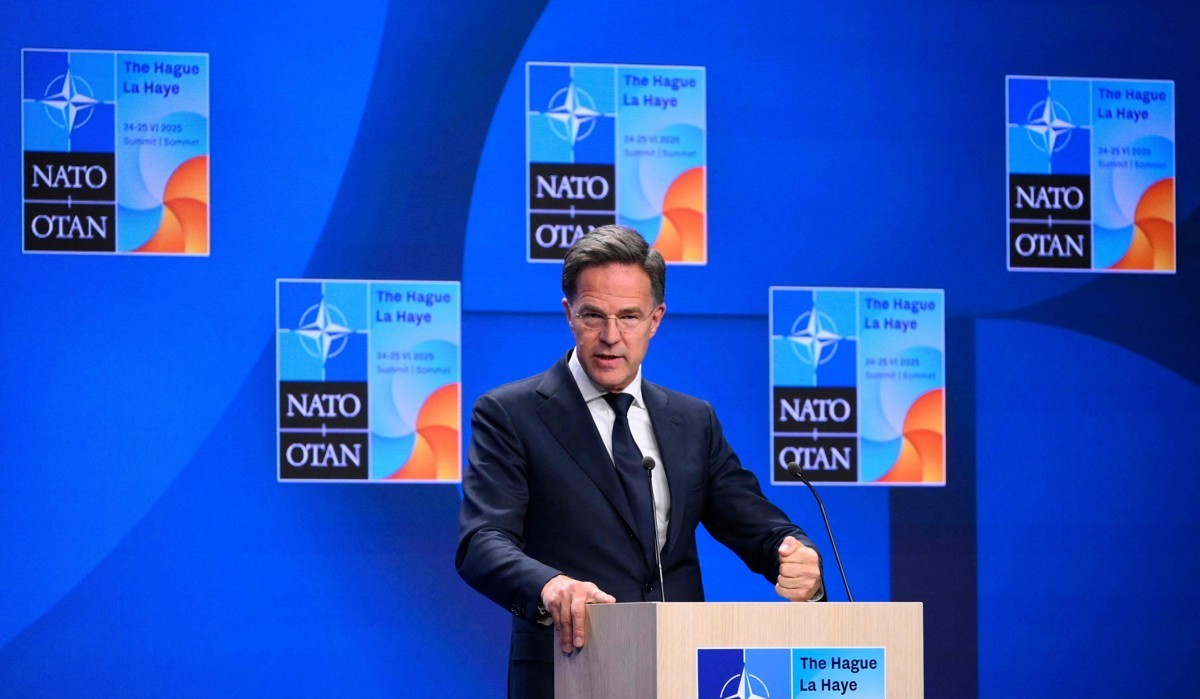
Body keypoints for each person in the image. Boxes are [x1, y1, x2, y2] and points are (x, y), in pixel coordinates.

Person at [456, 225, 823, 699]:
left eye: (629, 316)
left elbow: (758, 527)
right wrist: (551, 586)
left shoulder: (692, 421)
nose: (611, 336)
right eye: (593, 315)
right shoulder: (511, 414)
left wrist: (795, 556)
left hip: (684, 672)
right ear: (569, 314)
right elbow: (482, 542)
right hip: (569, 672)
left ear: (656, 319)